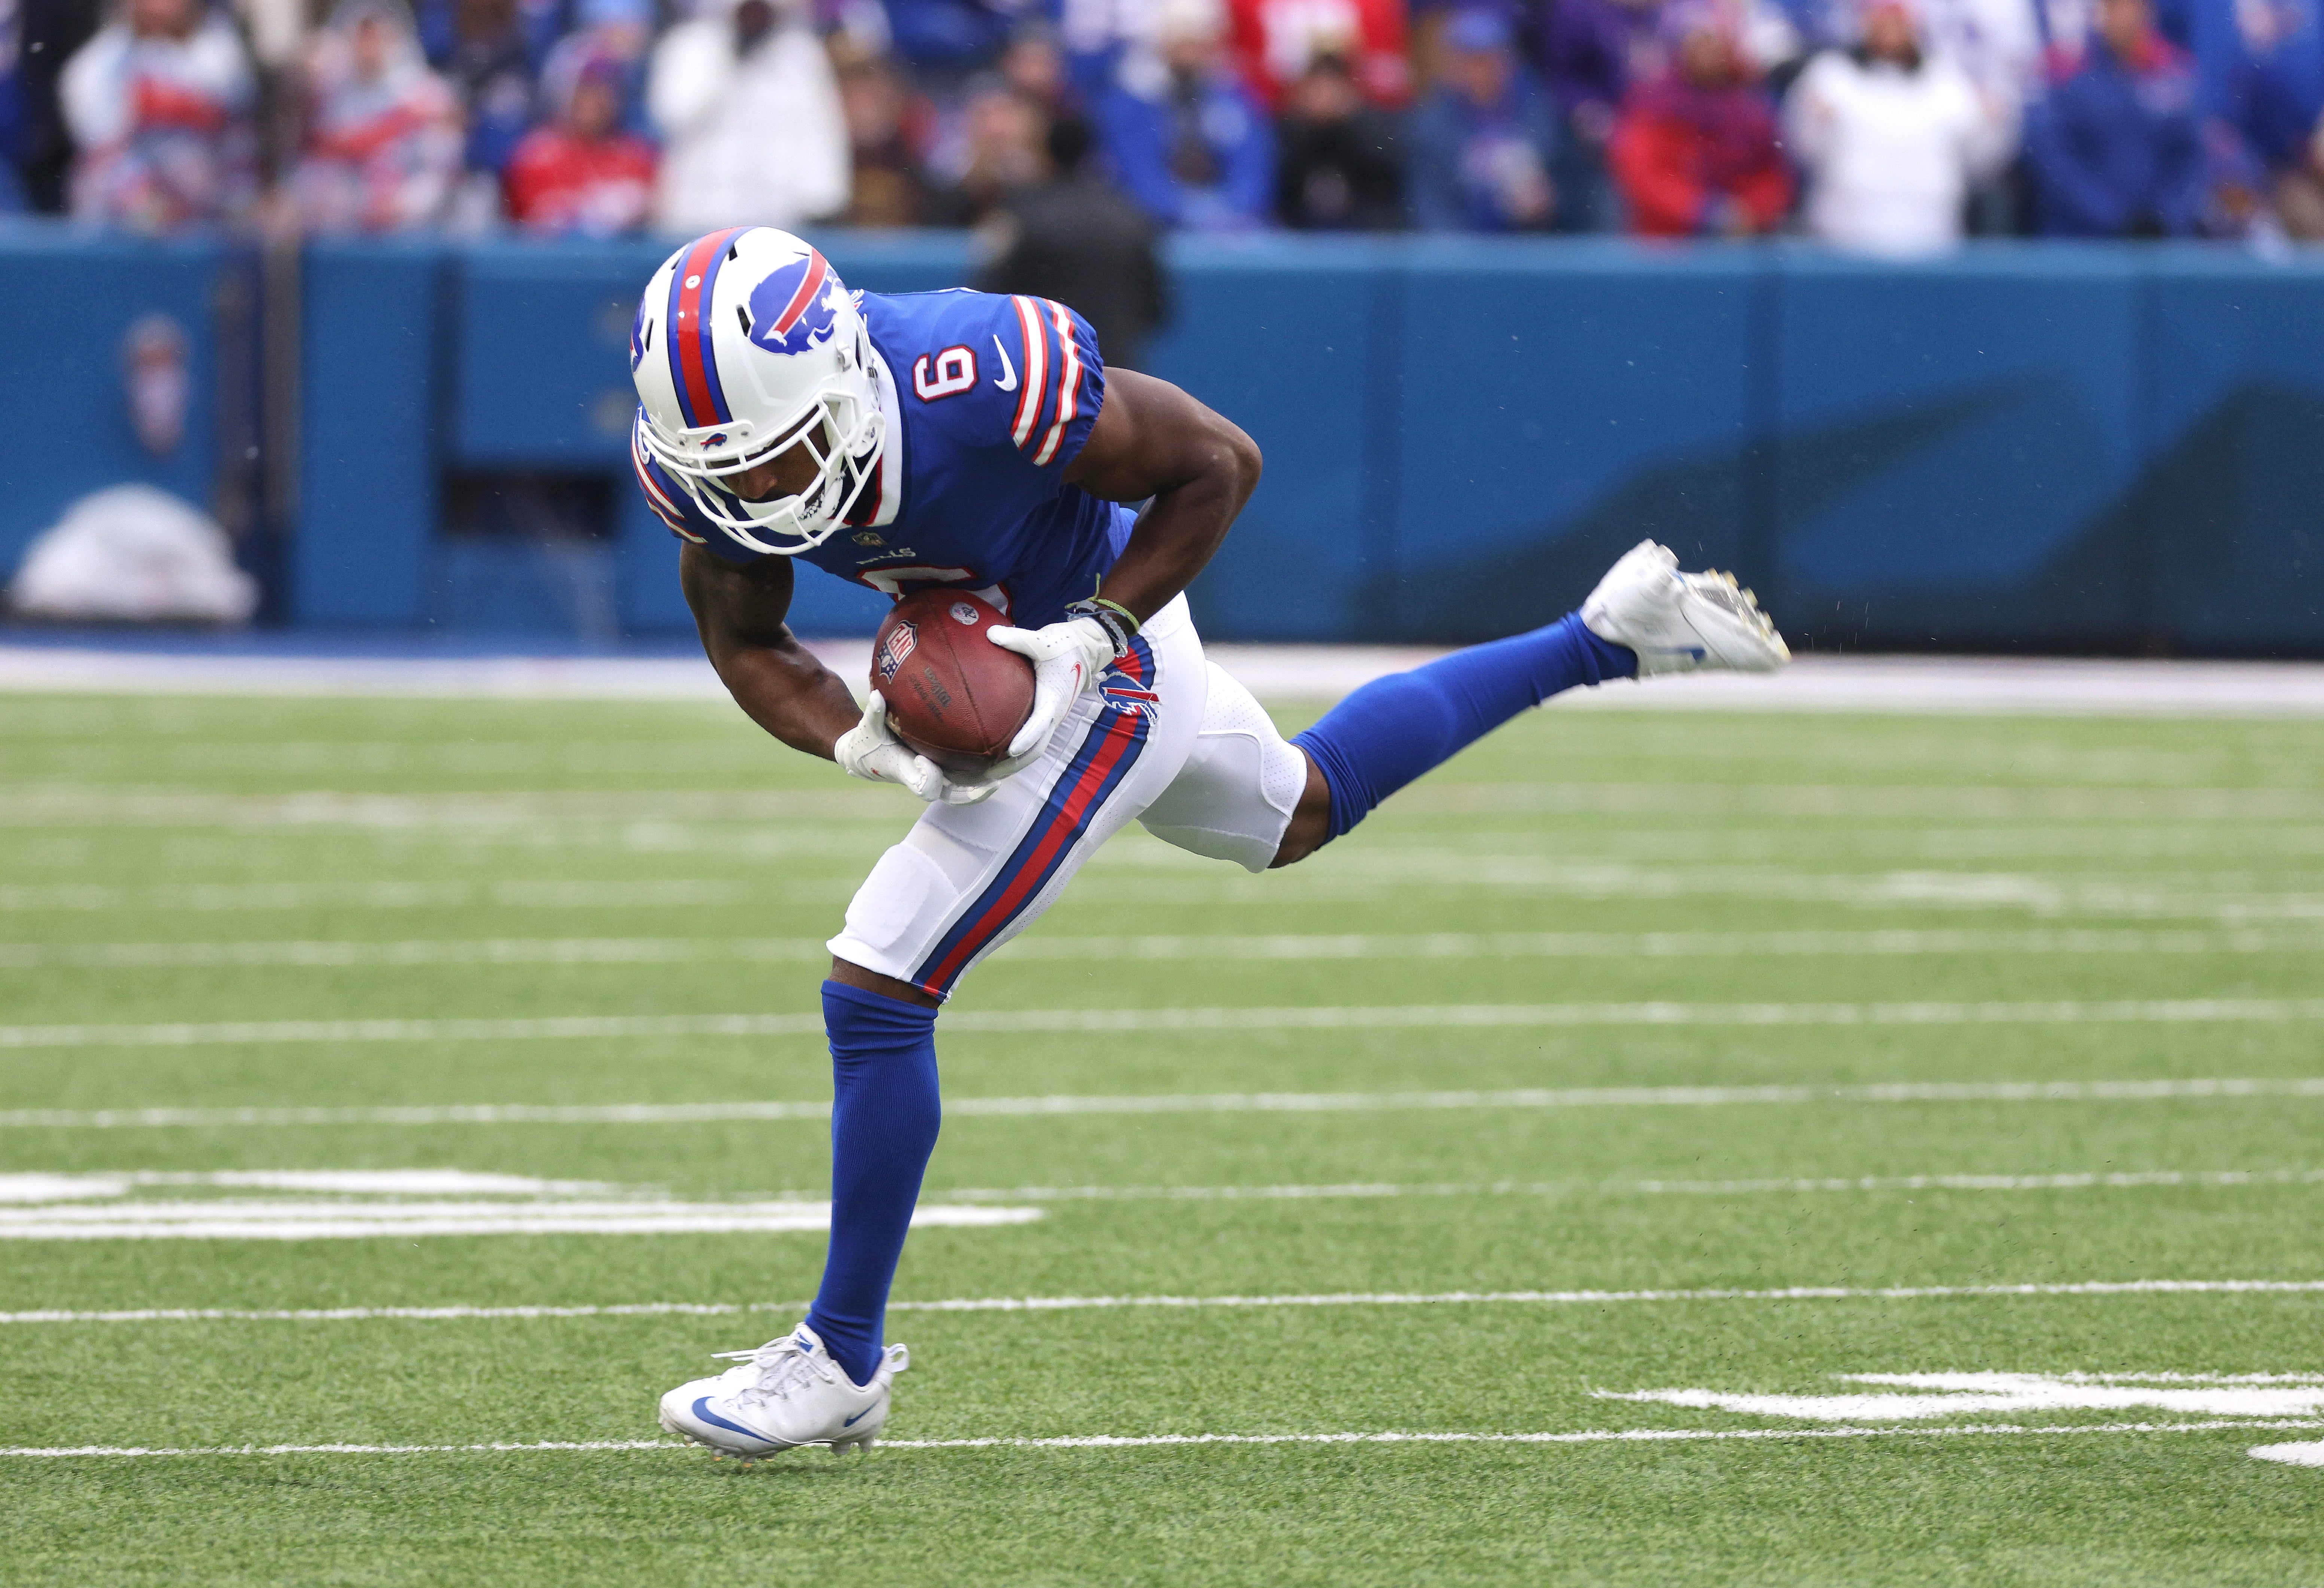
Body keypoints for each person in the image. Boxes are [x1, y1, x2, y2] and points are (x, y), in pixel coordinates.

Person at [624, 225, 1791, 1455]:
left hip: (1102, 659)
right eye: (739, 470)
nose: (765, 490)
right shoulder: (704, 466)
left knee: (879, 980)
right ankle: (1606, 636)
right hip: (1036, 665)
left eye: (785, 453)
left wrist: (1093, 633)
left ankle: (840, 1355)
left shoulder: (974, 376)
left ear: (846, 374)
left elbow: (1217, 463)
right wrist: (855, 739)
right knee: (1296, 807)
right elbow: (749, 640)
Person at [1784, 0, 2012, 253]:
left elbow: (1983, 161)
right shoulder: (1831, 76)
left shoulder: (1947, 81)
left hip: (1932, 239)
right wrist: (1812, 120)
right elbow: (1803, 150)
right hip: (1847, 240)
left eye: (1899, 23)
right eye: (1882, 21)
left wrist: (1994, 124)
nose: (1891, 32)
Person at [977, 113, 1170, 369]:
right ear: (1092, 155)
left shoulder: (1021, 216)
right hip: (1114, 376)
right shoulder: (1129, 216)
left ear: (1046, 153)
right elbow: (1155, 310)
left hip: (1042, 374)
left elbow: (987, 300)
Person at [648, 0, 849, 231]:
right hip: (697, 210)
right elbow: (673, 115)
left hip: (775, 214)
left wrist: (823, 200)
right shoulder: (690, 45)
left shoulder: (800, 52)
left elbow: (819, 130)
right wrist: (732, 58)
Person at [59, 0, 253, 229]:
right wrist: (140, 194)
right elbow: (101, 149)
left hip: (206, 204)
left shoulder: (221, 50)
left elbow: (234, 129)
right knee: (97, 178)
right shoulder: (98, 62)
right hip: (126, 211)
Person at [1609, 1, 1792, 235]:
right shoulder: (1655, 103)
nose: (1707, 53)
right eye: (1699, 42)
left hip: (1741, 245)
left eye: (1713, 43)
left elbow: (1773, 173)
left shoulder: (1749, 105)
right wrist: (1700, 210)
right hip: (1668, 245)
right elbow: (1641, 173)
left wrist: (1751, 212)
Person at [2023, 0, 2202, 235]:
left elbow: (2191, 155)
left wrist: (2164, 216)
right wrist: (2115, 217)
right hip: (2081, 242)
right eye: (2117, 6)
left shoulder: (2173, 72)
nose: (2126, 16)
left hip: (2159, 242)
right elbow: (2052, 158)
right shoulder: (2066, 71)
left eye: (2135, 6)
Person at [1094, 0, 1274, 229]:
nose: (1188, 54)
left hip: (1230, 220)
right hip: (1156, 222)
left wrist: (1234, 210)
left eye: (1196, 43)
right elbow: (1136, 169)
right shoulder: (1135, 101)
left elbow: (1252, 163)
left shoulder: (1235, 97)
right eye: (1180, 43)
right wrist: (1180, 209)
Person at [292, 0, 463, 232]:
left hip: (406, 211)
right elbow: (318, 157)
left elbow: (441, 165)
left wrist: (402, 202)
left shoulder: (423, 91)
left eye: (375, 35)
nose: (368, 44)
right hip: (346, 212)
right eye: (362, 35)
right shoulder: (328, 91)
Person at [1408, 6, 1559, 230]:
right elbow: (1430, 209)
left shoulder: (1539, 112)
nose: (1481, 72)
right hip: (1461, 254)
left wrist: (1547, 205)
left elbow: (1567, 187)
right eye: (1470, 61)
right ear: (1452, 66)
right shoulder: (1431, 125)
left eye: (1489, 60)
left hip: (1531, 248)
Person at [503, 48, 655, 232]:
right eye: (584, 91)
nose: (592, 101)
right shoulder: (534, 156)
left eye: (601, 92)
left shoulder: (637, 156)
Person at [1275, 48, 1404, 227]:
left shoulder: (1371, 128)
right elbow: (1281, 186)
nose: (1325, 95)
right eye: (1317, 86)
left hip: (1363, 235)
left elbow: (1387, 177)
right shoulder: (1289, 131)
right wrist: (1307, 125)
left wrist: (1351, 120)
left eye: (1332, 86)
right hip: (1302, 237)